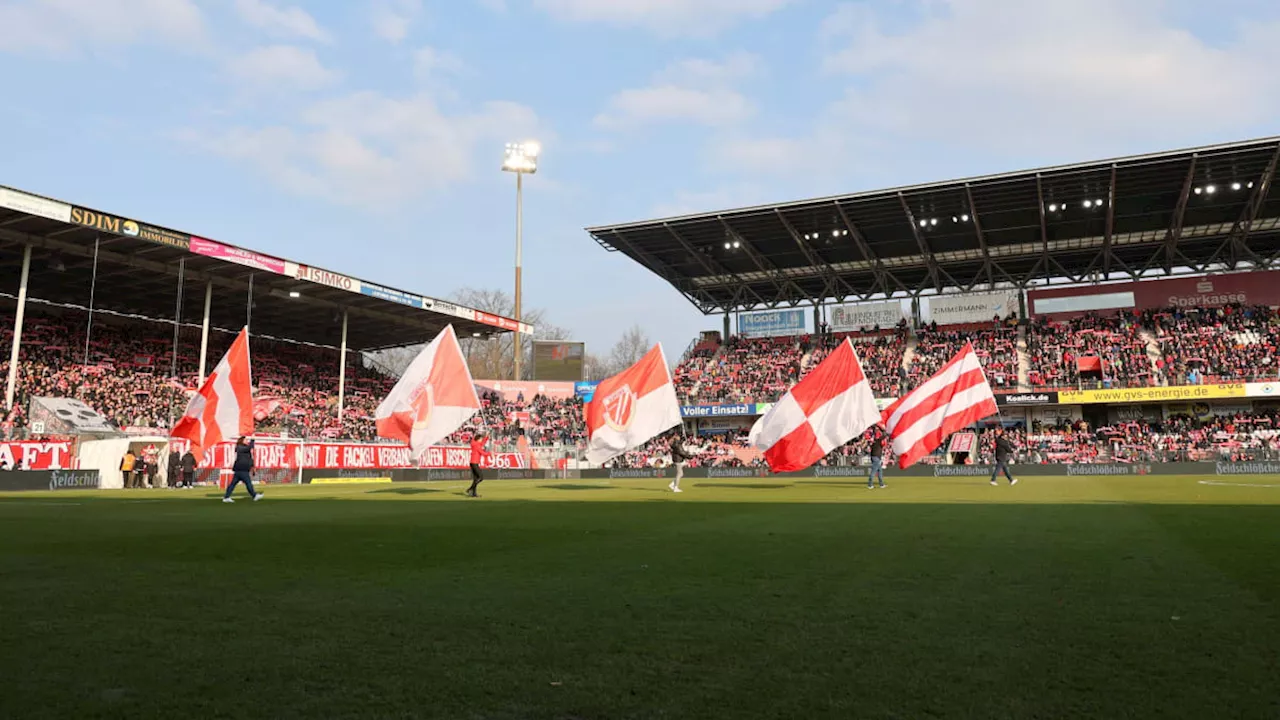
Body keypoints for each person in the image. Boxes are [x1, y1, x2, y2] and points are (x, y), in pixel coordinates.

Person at [222, 437, 263, 503]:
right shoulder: (239, 447)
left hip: (242, 469)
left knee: (233, 484)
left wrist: (252, 467)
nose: (247, 441)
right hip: (241, 469)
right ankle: (254, 495)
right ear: (242, 441)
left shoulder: (245, 448)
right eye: (245, 440)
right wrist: (252, 440)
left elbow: (250, 458)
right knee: (248, 483)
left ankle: (226, 497)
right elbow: (249, 447)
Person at [466, 432, 489, 498]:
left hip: (472, 462)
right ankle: (470, 488)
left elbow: (482, 443)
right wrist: (490, 453)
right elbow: (482, 453)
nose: (481, 440)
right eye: (481, 439)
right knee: (480, 477)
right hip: (475, 463)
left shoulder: (474, 443)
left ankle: (474, 493)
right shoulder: (477, 445)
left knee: (476, 479)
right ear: (478, 439)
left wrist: (486, 437)